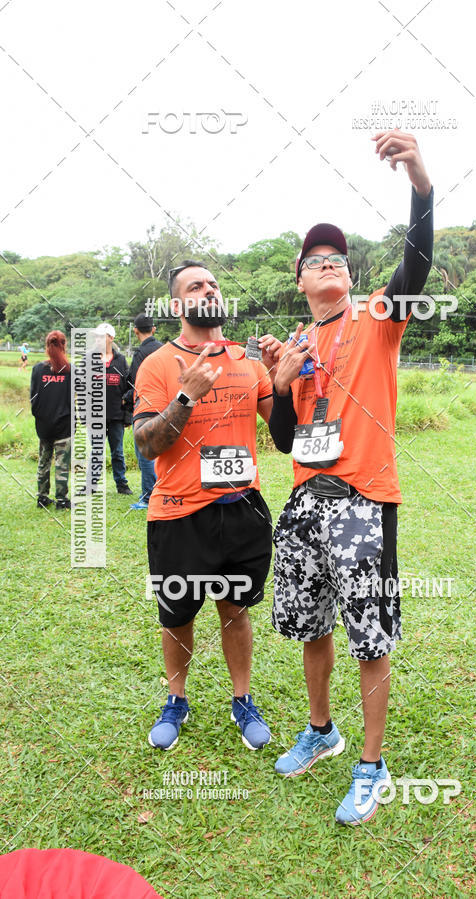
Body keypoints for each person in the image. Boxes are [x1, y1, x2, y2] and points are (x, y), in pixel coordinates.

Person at [264, 129, 433, 825]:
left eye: (337, 256)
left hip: (363, 498)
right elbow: (286, 440)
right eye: (314, 258)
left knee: (370, 634)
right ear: (301, 280)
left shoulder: (375, 319)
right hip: (305, 499)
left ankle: (371, 763)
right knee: (311, 624)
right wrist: (277, 385)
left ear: (350, 276)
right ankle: (321, 729)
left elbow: (417, 265)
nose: (327, 262)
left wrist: (420, 182)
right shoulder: (299, 345)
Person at [134, 261, 274, 753]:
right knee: (177, 615)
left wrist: (285, 379)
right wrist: (186, 396)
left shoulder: (246, 361)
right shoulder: (157, 364)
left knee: (236, 611)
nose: (208, 289)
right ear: (177, 306)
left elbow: (285, 432)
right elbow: (147, 446)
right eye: (196, 285)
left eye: (213, 283)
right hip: (178, 513)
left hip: (241, 510)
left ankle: (242, 699)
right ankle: (176, 700)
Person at [85, 323, 132, 495]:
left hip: (116, 416)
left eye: (101, 336)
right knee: (96, 451)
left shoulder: (121, 361)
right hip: (95, 416)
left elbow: (130, 387)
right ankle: (91, 485)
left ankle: (122, 484)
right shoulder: (88, 359)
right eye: (96, 336)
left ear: (111, 338)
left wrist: (127, 412)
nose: (97, 339)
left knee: (117, 452)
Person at [123, 313, 163, 510]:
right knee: (162, 453)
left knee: (145, 453)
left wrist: (125, 398)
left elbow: (135, 382)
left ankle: (148, 496)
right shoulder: (164, 349)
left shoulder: (140, 353)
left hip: (146, 407)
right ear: (154, 329)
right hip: (167, 407)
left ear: (135, 330)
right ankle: (163, 491)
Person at [30, 331, 72, 510]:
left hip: (44, 425)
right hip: (64, 425)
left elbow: (34, 399)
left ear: (47, 346)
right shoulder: (71, 370)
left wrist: (40, 417)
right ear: (64, 345)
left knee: (44, 461)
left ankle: (42, 497)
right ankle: (62, 500)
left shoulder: (38, 369)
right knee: (63, 465)